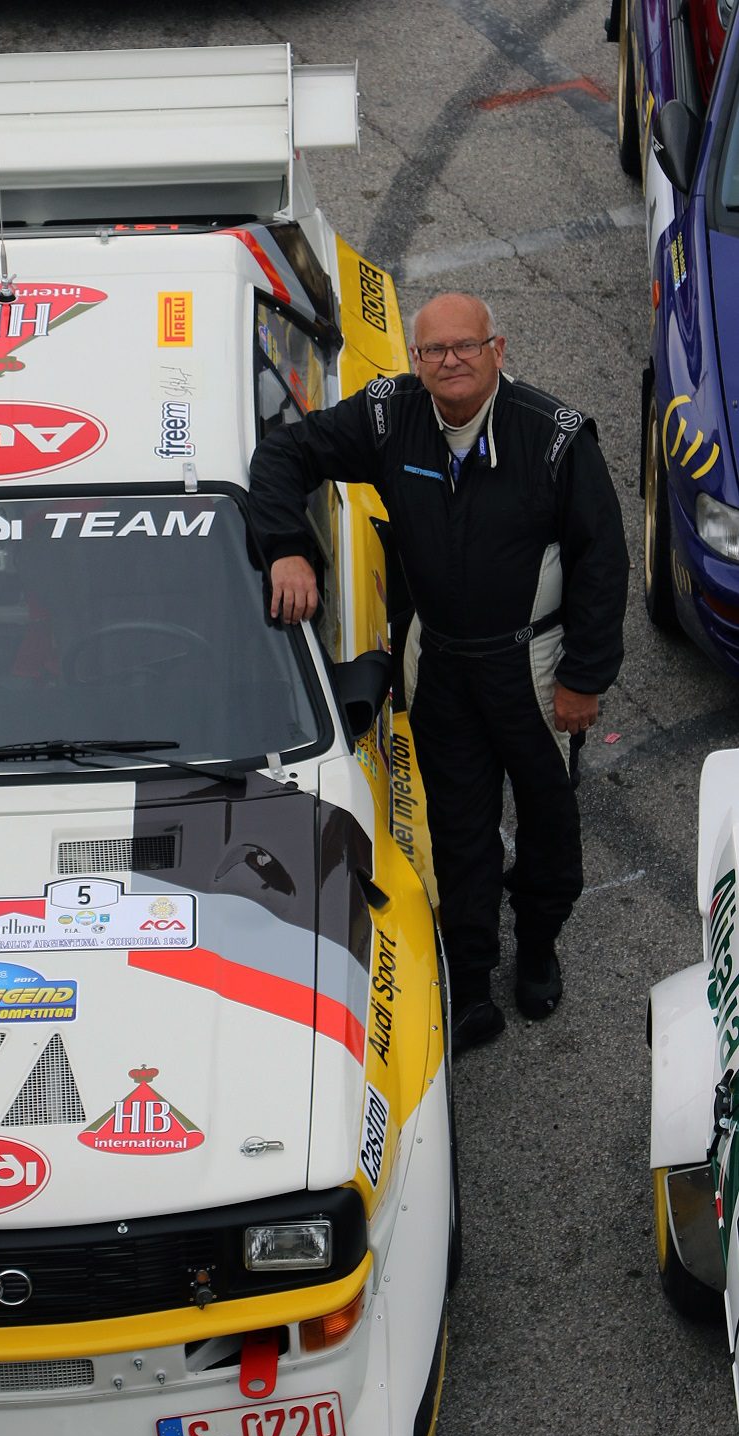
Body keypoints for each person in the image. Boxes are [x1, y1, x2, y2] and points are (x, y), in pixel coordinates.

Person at [248, 293, 627, 1051]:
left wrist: (584, 676)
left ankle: (539, 946)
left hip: (532, 661)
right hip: (438, 659)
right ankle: (474, 981)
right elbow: (284, 453)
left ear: (496, 348)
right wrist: (285, 544)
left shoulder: (554, 437)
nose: (448, 362)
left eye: (464, 347)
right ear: (415, 361)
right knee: (457, 828)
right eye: (431, 352)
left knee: (549, 820)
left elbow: (601, 562)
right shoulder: (390, 415)